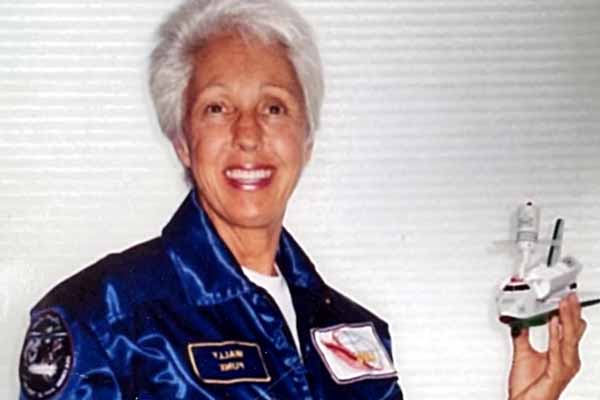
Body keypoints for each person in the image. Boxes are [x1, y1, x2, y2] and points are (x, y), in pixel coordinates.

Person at [17, 0, 586, 399]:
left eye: (274, 107)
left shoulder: (353, 330)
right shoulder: (102, 319)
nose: (247, 134)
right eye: (217, 108)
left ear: (306, 141)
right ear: (182, 140)